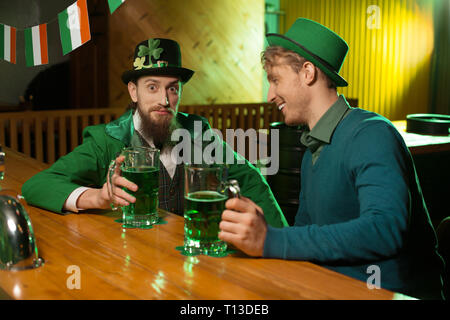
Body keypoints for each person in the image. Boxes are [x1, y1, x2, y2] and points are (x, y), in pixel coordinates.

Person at [218, 18, 444, 299]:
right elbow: (306, 235)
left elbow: (384, 230)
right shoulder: (313, 147)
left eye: (275, 80)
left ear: (308, 73)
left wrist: (270, 239)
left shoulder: (371, 134)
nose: (270, 95)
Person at [21, 38, 288, 229]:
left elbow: (251, 180)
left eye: (173, 88)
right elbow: (36, 185)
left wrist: (279, 243)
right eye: (152, 87)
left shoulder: (199, 133)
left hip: (192, 259)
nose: (164, 99)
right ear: (133, 92)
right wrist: (97, 197)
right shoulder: (107, 139)